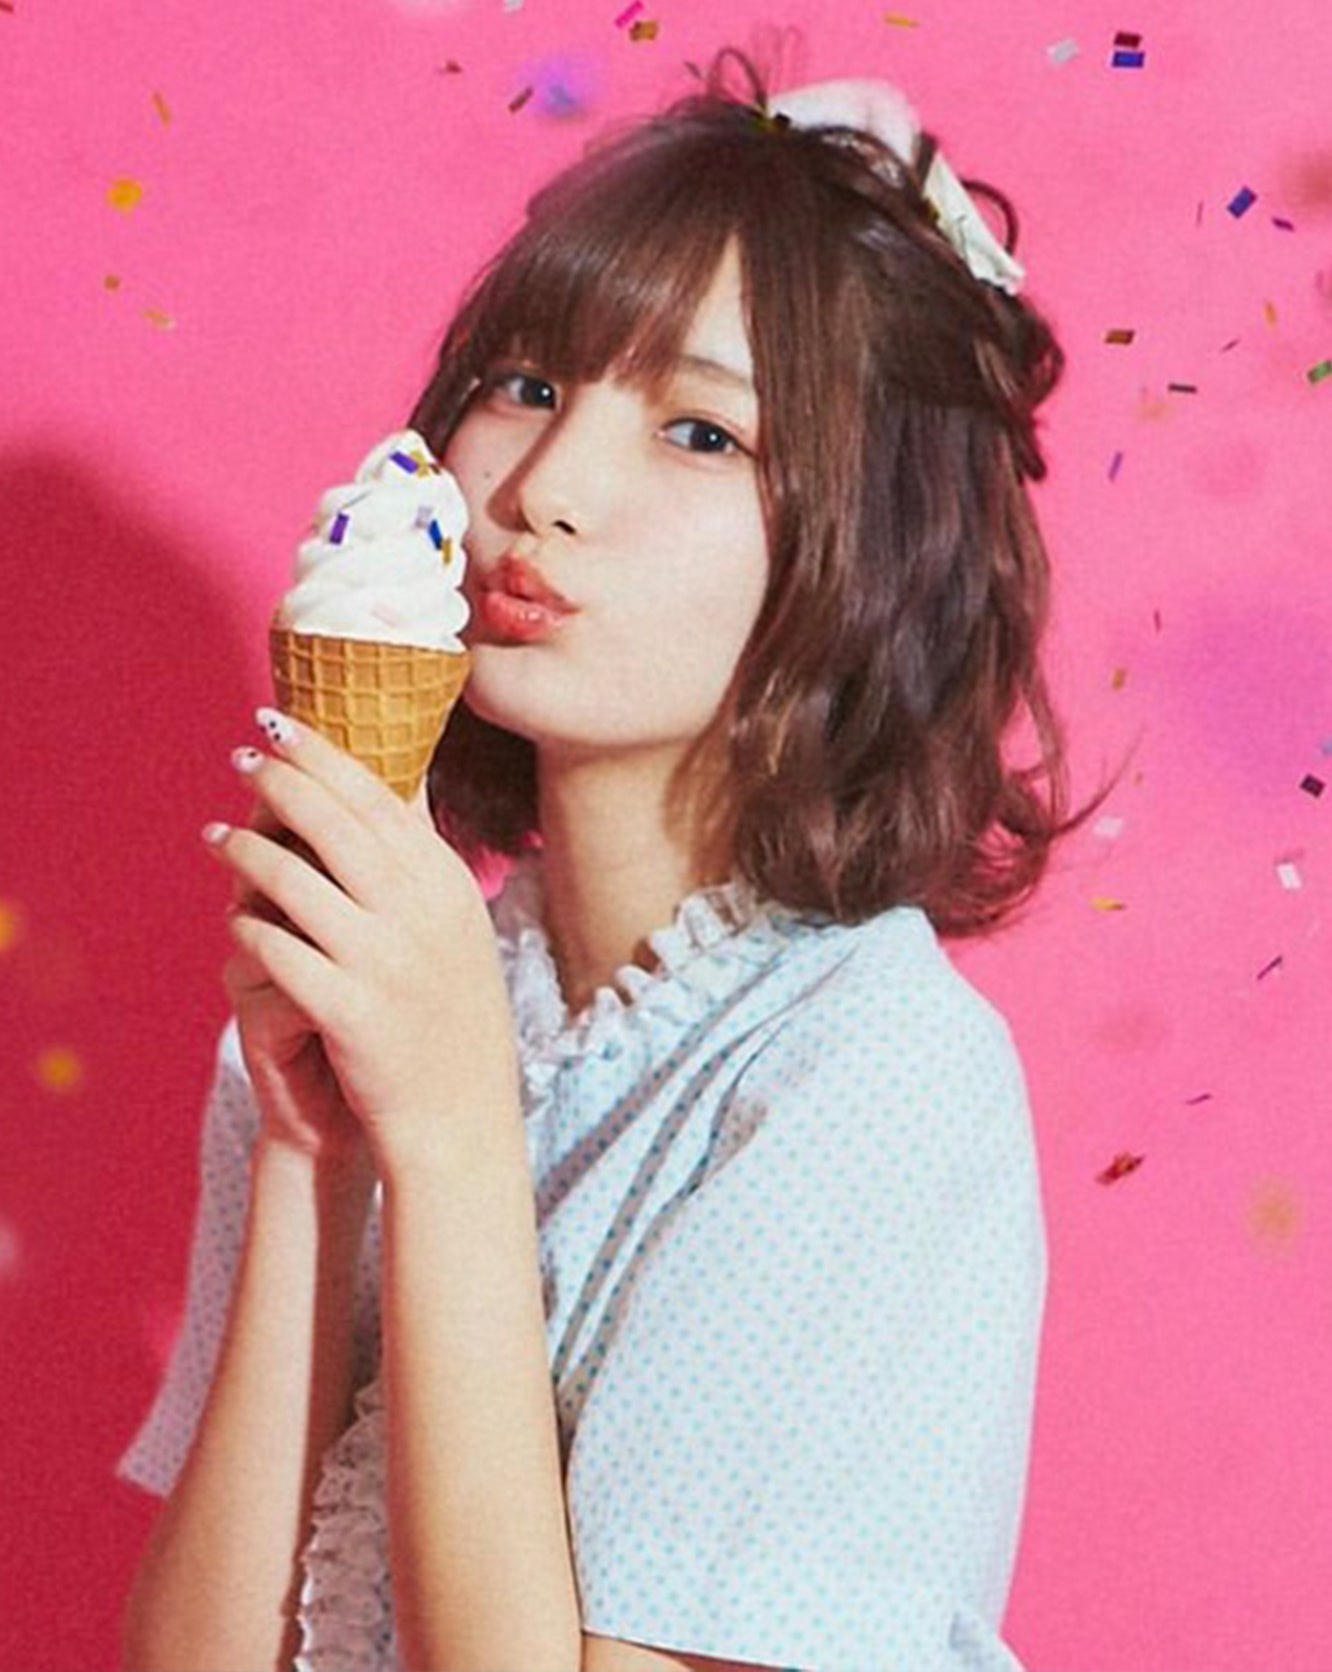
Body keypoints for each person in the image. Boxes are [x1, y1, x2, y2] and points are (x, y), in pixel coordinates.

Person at [116, 47, 1120, 1672]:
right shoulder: (392, 1000)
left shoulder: (867, 1074)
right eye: (525, 384)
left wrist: (450, 1132)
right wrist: (313, 1154)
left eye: (701, 432)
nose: (545, 491)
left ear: (873, 550)